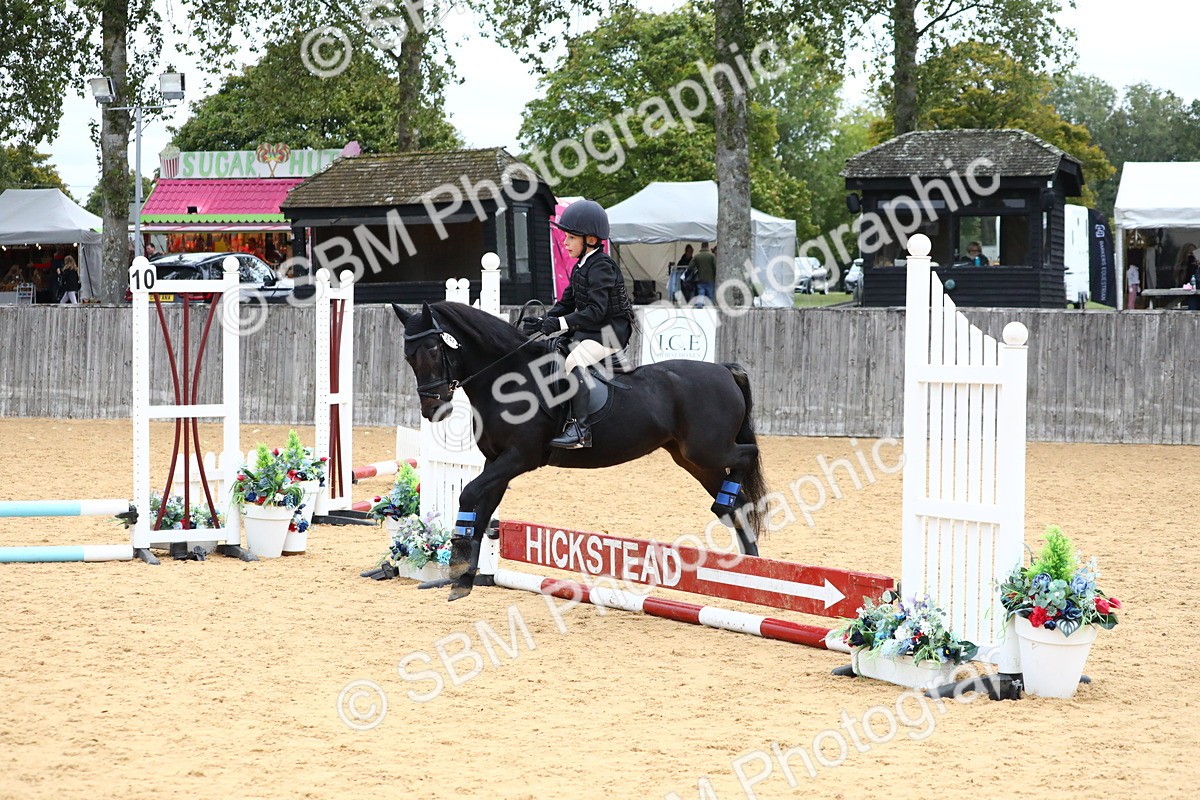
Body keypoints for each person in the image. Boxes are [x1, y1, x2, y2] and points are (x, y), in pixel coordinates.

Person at [521, 200, 635, 449]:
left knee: (574, 361)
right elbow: (567, 302)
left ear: (591, 240)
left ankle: (581, 432)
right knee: (555, 350)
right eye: (566, 237)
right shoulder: (581, 267)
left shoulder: (602, 267)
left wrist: (559, 323)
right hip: (592, 330)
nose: (565, 242)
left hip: (610, 332)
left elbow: (595, 311)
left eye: (571, 237)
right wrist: (544, 322)